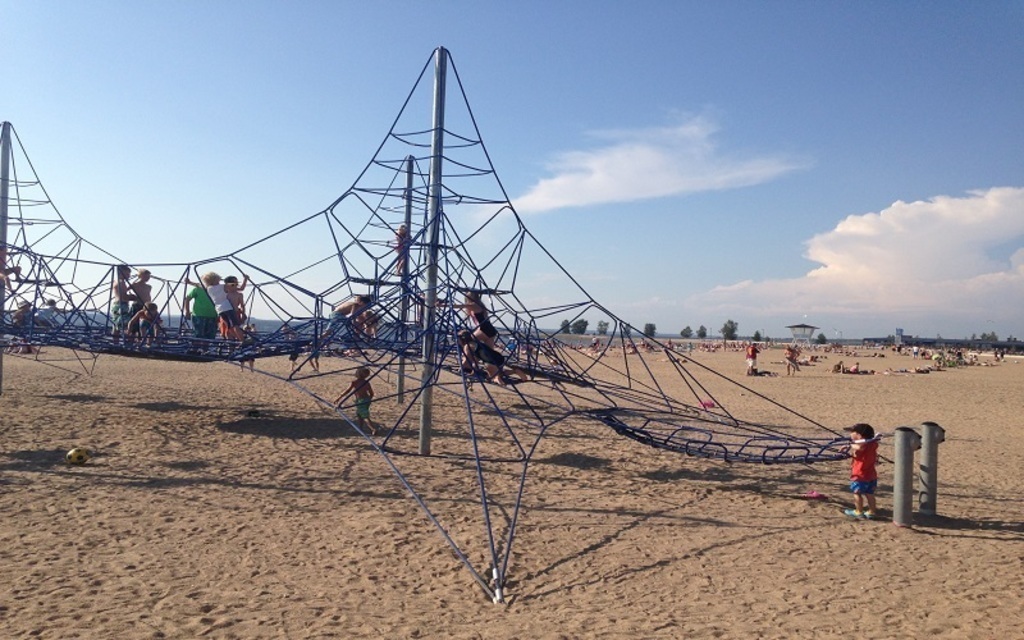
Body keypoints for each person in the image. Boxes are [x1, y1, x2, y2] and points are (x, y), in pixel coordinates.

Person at [458, 329, 529, 385]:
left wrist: (461, 368)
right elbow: (477, 358)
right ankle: (514, 371)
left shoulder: (467, 346)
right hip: (498, 358)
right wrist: (474, 371)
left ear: (462, 339)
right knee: (499, 372)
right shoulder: (476, 343)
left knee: (491, 377)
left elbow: (467, 360)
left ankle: (497, 378)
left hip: (490, 362)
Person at [844, 423, 879, 519]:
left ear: (859, 435)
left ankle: (858, 511)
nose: (850, 435)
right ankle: (872, 511)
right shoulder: (873, 444)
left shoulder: (860, 446)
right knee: (870, 494)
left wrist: (851, 445)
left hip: (860, 475)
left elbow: (859, 448)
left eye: (852, 433)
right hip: (871, 475)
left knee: (857, 493)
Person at [201, 272, 246, 341]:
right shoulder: (222, 286)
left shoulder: (208, 288)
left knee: (229, 326)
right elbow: (241, 288)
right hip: (227, 308)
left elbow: (199, 285)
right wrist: (245, 279)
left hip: (219, 310)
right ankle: (242, 340)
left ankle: (237, 339)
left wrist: (190, 282)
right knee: (235, 325)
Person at [334, 367, 377, 434]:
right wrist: (368, 400)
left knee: (364, 416)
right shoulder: (367, 382)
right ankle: (360, 428)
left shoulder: (354, 382)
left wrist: (338, 398)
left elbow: (347, 391)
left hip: (361, 400)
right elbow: (371, 393)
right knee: (359, 414)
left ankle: (373, 429)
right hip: (366, 400)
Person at [111, 264, 136, 337]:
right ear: (121, 272)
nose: (129, 275)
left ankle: (115, 343)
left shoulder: (116, 281)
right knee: (125, 325)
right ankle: (127, 341)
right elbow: (124, 297)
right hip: (121, 305)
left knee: (116, 325)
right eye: (127, 273)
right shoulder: (121, 282)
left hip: (117, 305)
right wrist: (133, 297)